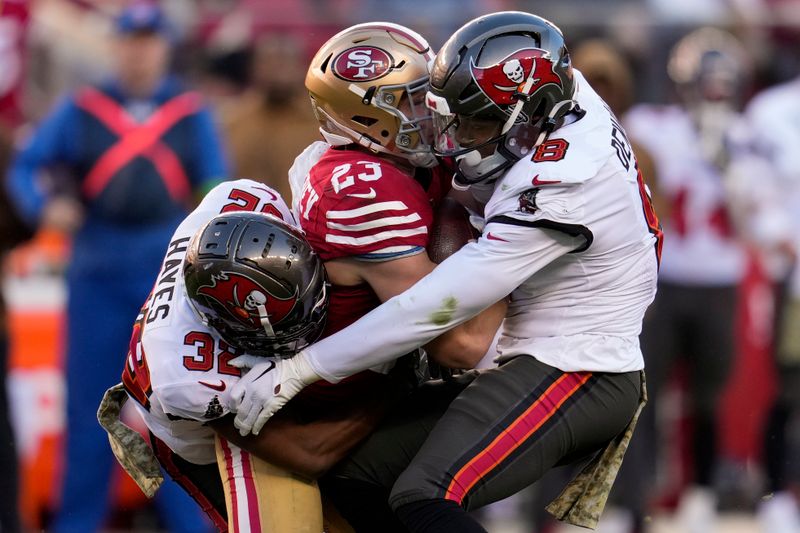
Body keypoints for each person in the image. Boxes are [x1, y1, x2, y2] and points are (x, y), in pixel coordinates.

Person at [230, 11, 661, 532]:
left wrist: (301, 370)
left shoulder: (563, 179)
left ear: (529, 110)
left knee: (425, 495)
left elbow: (434, 309)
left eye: (476, 120)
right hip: (533, 352)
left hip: (578, 365)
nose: (454, 133)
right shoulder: (559, 88)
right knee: (356, 476)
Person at [5, 4, 228, 532]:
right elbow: (26, 167)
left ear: (164, 48)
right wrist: (45, 207)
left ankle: (192, 523)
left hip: (167, 270)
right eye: (130, 41)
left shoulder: (190, 112)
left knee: (178, 405)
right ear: (116, 47)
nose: (139, 52)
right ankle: (77, 523)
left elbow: (216, 186)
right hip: (96, 266)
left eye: (149, 42)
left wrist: (202, 226)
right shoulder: (83, 108)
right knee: (87, 410)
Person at [622, 27, 751, 533]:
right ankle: (636, 503)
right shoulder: (654, 127)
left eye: (723, 83)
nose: (715, 93)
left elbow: (756, 221)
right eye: (708, 82)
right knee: (643, 392)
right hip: (664, 279)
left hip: (720, 279)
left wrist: (731, 169)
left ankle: (699, 496)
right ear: (686, 81)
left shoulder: (745, 133)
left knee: (707, 396)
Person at [736, 71, 800, 533]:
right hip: (791, 275)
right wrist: (780, 239)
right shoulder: (772, 111)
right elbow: (751, 192)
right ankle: (778, 491)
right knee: (788, 388)